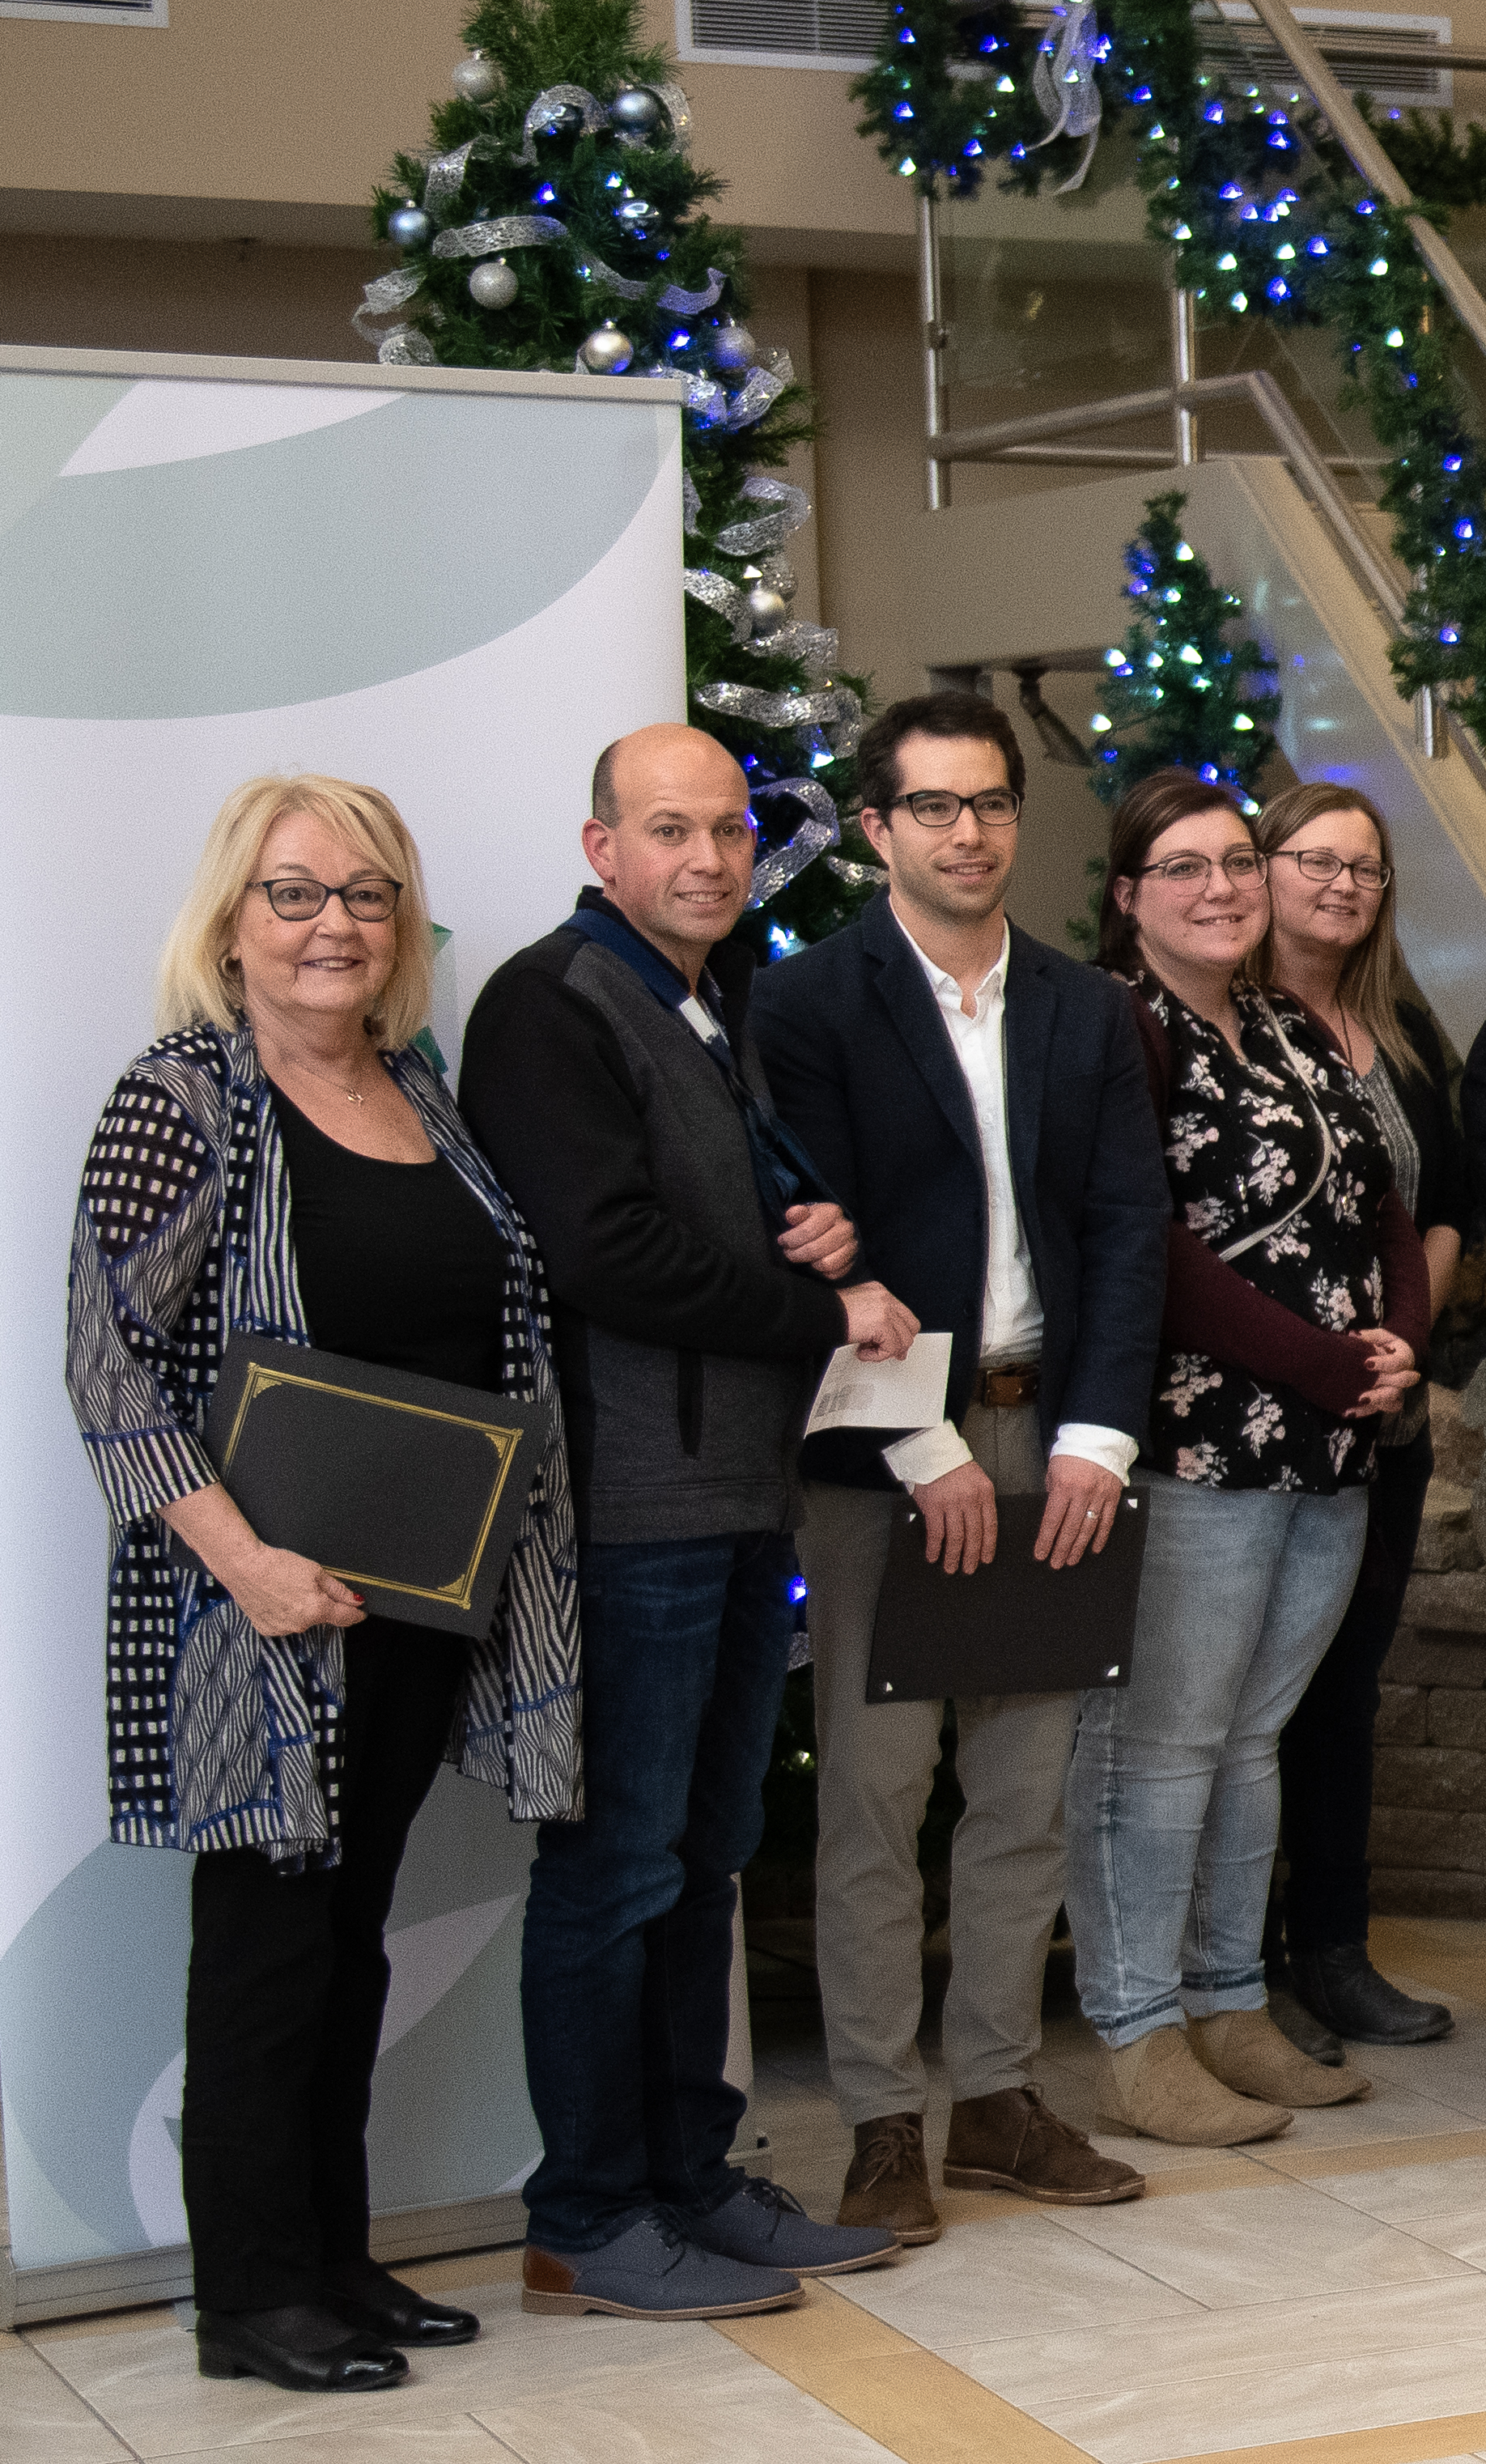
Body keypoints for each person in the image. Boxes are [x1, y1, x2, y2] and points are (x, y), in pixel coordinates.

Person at [74, 777, 584, 2391]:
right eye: (296, 894)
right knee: (266, 1953)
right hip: (253, 1622)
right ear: (232, 920)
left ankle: (334, 2260)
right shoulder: (182, 1101)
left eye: (367, 897)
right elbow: (112, 1374)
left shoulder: (420, 1096)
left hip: (417, 1603)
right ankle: (252, 2299)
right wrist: (252, 1565)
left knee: (350, 1935)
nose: (334, 926)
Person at [465, 724, 914, 2320]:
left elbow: (722, 1218)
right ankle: (586, 2215)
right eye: (671, 832)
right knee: (614, 1869)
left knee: (704, 1861)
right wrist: (818, 1303)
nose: (710, 859)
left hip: (736, 1497)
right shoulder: (553, 1003)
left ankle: (688, 2180)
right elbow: (602, 1254)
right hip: (627, 1512)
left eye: (728, 830)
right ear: (603, 848)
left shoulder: (705, 999)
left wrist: (813, 1232)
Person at [753, 693, 1163, 2247]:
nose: (970, 831)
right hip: (884, 1455)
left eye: (990, 802)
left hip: (1051, 1436)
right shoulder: (810, 1010)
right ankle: (878, 2121)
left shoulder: (1079, 1005)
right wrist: (921, 1444)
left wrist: (1095, 1438)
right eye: (933, 807)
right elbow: (814, 1238)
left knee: (1027, 1788)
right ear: (876, 829)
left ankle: (994, 2093)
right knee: (875, 1798)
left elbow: (1129, 1227)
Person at [1076, 773, 1427, 2145]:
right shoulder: (1123, 1025)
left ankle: (1230, 1999)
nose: (1218, 887)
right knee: (1161, 1747)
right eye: (1183, 867)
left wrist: (1395, 1332)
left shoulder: (1287, 1019)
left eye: (1234, 860)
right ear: (1129, 894)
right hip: (1198, 1442)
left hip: (1330, 1448)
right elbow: (1141, 1241)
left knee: (1252, 1737)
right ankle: (1138, 2022)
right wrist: (1322, 1361)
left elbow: (1378, 1191)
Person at [1250, 780, 1477, 2057]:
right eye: (1315, 861)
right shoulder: (1228, 1024)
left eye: (1365, 870)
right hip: (1261, 1422)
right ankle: (1242, 1969)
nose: (1342, 886)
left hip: (1384, 1422)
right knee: (1255, 1704)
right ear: (1263, 866)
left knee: (1344, 1692)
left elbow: (1442, 1199)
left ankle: (1333, 1951)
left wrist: (1406, 1337)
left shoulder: (1392, 1030)